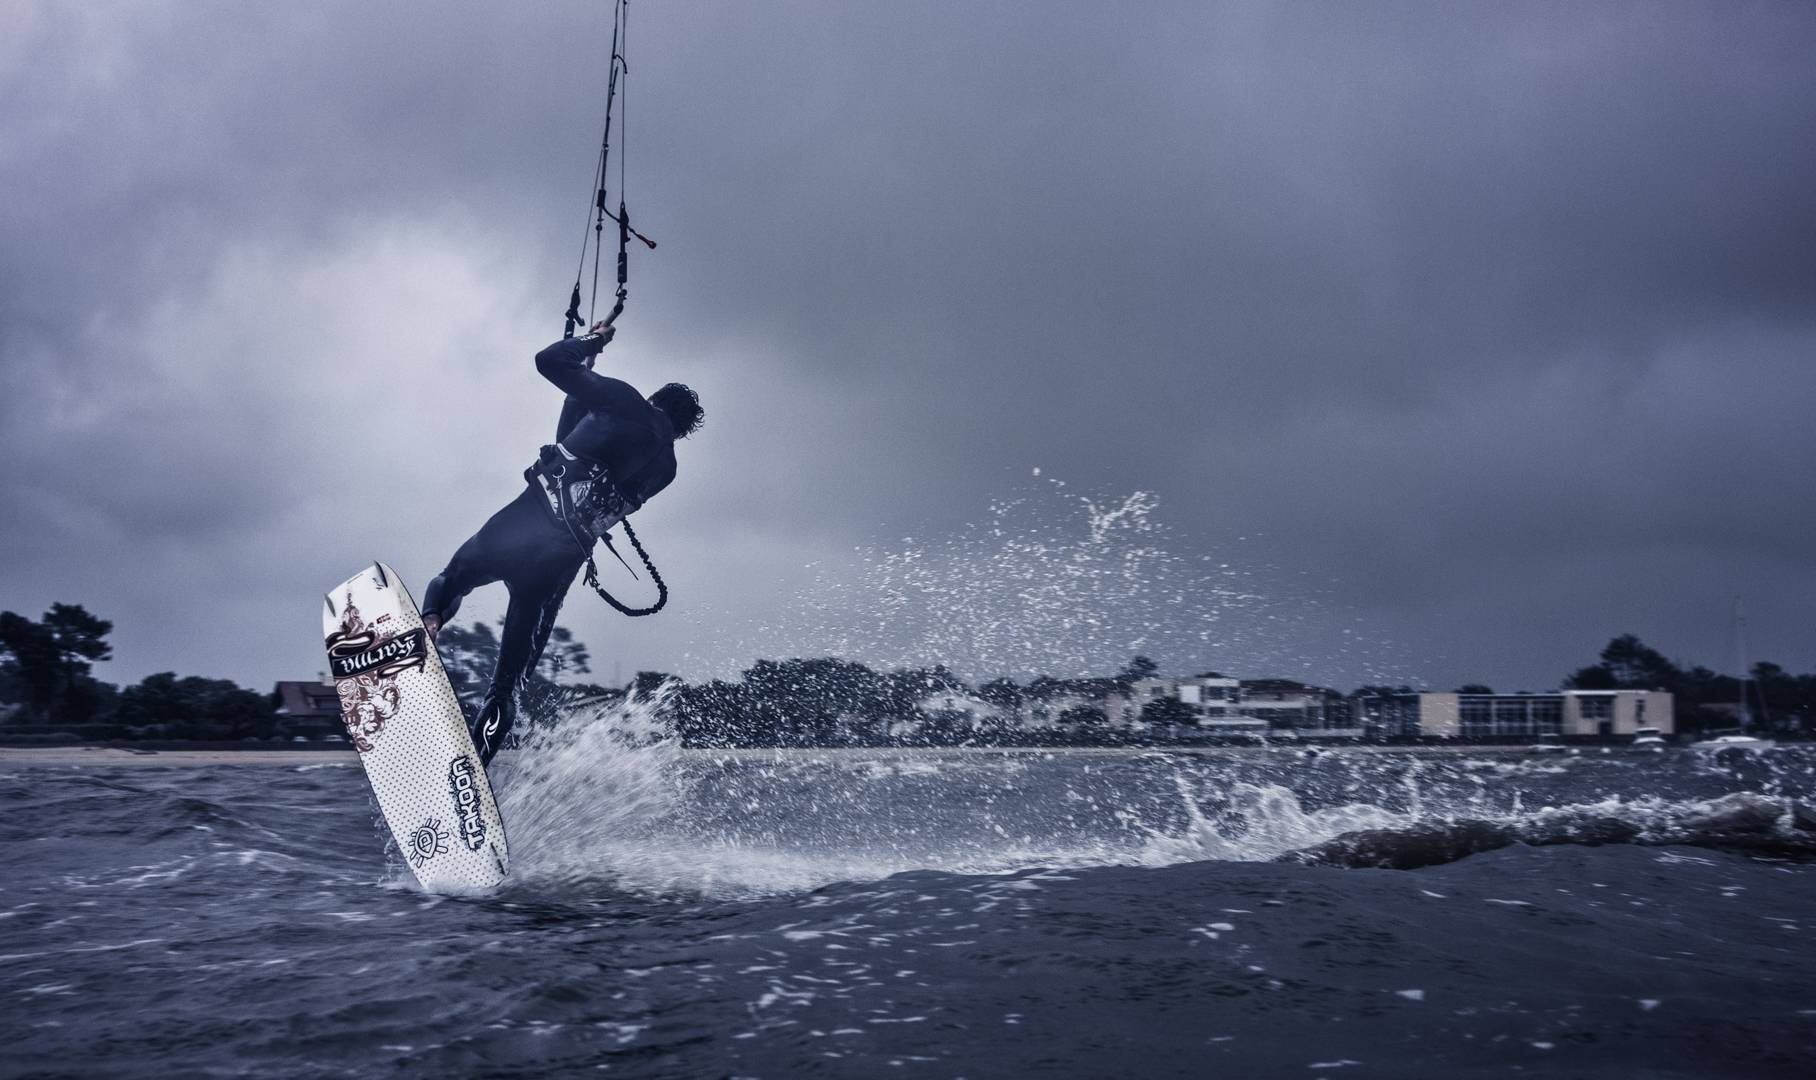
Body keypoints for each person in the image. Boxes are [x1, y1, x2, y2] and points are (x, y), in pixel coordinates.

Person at [421, 320, 703, 763]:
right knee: (507, 680)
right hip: (555, 565)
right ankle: (475, 768)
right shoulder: (666, 470)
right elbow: (573, 446)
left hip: (519, 527)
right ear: (682, 432)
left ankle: (430, 627)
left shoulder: (627, 403)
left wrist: (594, 342)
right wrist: (580, 391)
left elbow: (549, 361)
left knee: (453, 578)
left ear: (654, 400)